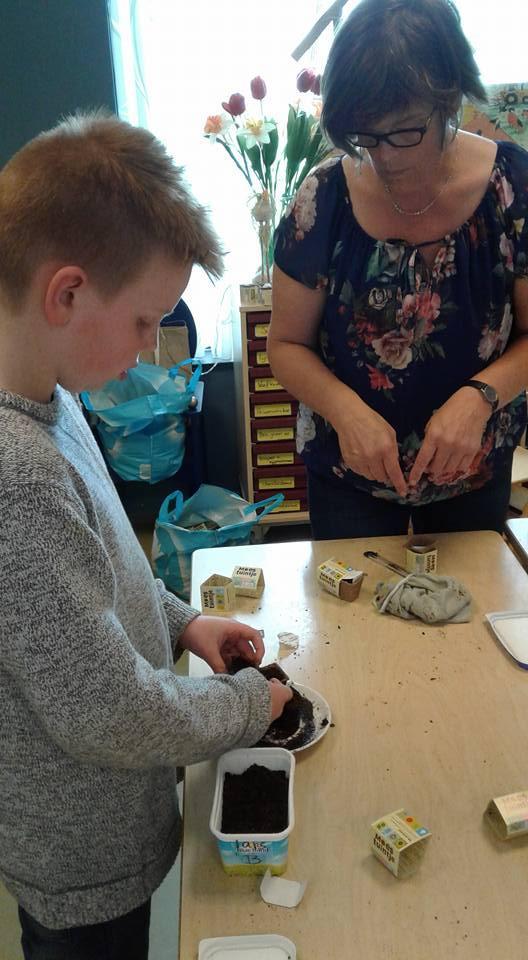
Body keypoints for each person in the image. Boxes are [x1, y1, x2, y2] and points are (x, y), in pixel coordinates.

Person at [0, 111, 292, 960]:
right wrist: (249, 705)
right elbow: (111, 715)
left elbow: (108, 570)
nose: (146, 350)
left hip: (107, 822)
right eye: (143, 322)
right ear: (67, 292)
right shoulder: (14, 478)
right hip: (80, 867)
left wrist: (180, 622)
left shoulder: (53, 397)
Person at [269, 0, 528, 540]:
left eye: (405, 131)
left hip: (473, 472)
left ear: (449, 97)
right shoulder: (324, 198)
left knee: (468, 620)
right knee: (350, 622)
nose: (383, 156)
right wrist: (345, 410)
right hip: (349, 473)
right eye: (364, 136)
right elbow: (286, 345)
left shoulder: (512, 191)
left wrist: (478, 399)